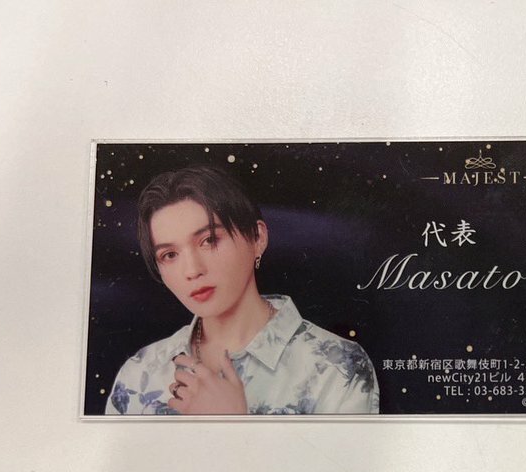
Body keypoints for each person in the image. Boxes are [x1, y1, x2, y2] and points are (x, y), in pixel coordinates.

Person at [106, 164, 379, 415]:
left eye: (209, 240)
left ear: (257, 238)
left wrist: (234, 425)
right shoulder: (140, 374)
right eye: (170, 255)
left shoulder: (337, 368)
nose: (192, 270)